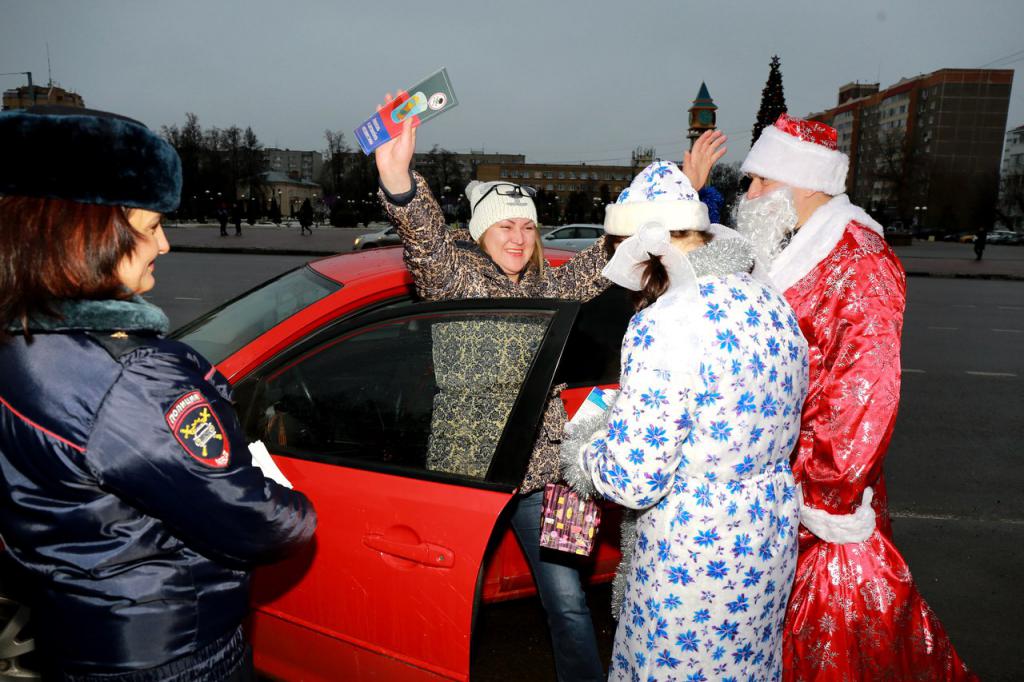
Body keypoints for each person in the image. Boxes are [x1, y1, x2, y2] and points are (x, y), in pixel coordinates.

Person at [374, 100, 725, 681]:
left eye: (527, 226)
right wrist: (399, 183)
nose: (517, 237)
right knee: (445, 599)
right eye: (505, 225)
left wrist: (680, 194)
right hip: (469, 475)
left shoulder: (555, 286)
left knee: (568, 603)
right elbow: (426, 246)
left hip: (553, 474)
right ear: (482, 231)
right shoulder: (457, 280)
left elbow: (617, 251)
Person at [0, 106, 317, 681]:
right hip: (168, 650)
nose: (165, 245)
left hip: (75, 633)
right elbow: (263, 522)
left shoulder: (19, 337)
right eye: (149, 227)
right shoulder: (134, 376)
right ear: (85, 235)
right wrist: (282, 494)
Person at [736, 113, 977, 680]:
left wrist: (829, 498)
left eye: (761, 180)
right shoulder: (795, 246)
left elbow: (864, 390)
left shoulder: (859, 258)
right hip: (782, 485)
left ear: (805, 180)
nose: (749, 195)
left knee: (841, 642)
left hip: (823, 498)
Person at [563, 161, 808, 682]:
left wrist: (585, 444)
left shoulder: (667, 321)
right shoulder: (770, 300)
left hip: (693, 554)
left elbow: (635, 477)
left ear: (649, 252)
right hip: (765, 534)